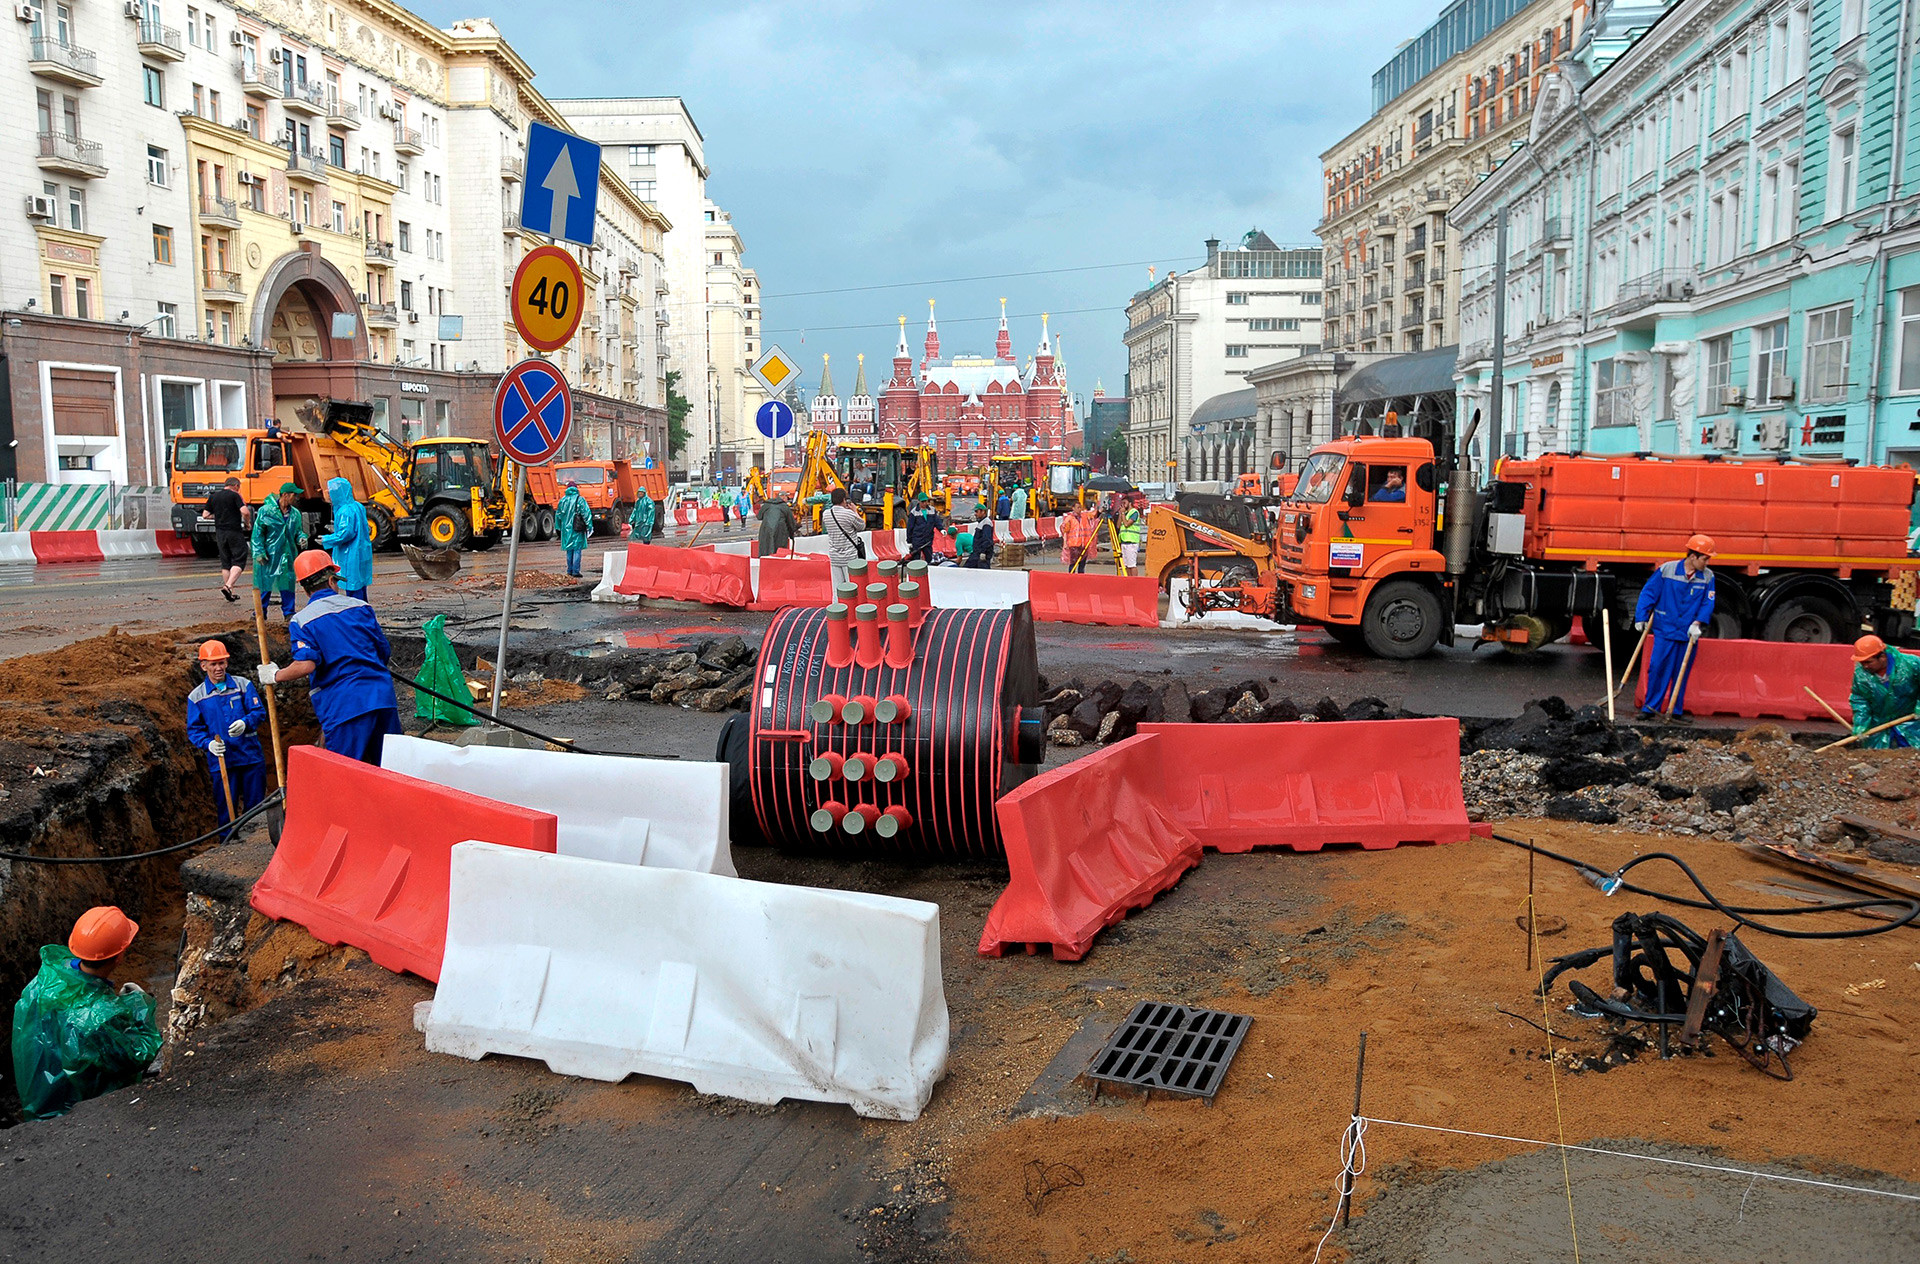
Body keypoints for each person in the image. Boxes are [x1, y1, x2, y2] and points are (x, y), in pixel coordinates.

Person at [11, 906, 163, 1121]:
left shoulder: (46, 978)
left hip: (41, 1098)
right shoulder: (100, 1017)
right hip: (78, 1114)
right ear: (119, 956)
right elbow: (137, 1055)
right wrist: (141, 1009)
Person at [258, 550, 402, 764]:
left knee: (345, 774)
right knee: (390, 769)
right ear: (332, 580)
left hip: (344, 706)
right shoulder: (361, 607)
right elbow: (383, 651)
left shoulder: (302, 621)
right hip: (381, 698)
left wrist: (275, 675)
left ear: (305, 590)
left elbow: (306, 664)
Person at [1635, 534, 1717, 721]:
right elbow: (1648, 593)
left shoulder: (1708, 577)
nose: (1707, 562)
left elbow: (1708, 602)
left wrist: (1698, 623)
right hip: (1666, 629)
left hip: (1688, 633)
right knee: (1658, 668)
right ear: (1693, 556)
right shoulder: (1667, 570)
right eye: (1705, 558)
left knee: (1681, 671)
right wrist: (1641, 616)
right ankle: (1650, 708)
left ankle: (1675, 710)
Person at [185, 639, 267, 827]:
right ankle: (229, 845)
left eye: (221, 663)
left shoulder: (243, 685)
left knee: (256, 810)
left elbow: (259, 712)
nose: (218, 668)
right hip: (223, 761)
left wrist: (245, 723)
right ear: (203, 665)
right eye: (213, 664)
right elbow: (195, 730)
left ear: (227, 663)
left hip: (250, 757)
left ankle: (254, 848)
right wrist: (209, 744)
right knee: (226, 810)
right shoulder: (197, 697)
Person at [1847, 635, 1920, 748]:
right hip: (1880, 726)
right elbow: (1859, 698)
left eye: (1868, 662)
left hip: (1911, 723)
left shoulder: (1910, 665)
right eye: (1862, 663)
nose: (1865, 666)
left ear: (1882, 657)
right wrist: (1861, 723)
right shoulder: (1861, 675)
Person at [250, 482, 305, 618]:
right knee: (265, 584)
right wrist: (259, 552)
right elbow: (258, 533)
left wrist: (302, 538)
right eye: (294, 495)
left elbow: (298, 531)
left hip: (287, 555)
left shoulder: (295, 514)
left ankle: (289, 612)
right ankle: (260, 613)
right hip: (269, 555)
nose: (296, 498)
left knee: (287, 584)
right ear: (285, 495)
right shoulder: (266, 511)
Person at [317, 477, 373, 602]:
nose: (329, 494)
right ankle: (364, 613)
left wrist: (327, 539)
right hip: (361, 551)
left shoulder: (345, 510)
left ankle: (357, 616)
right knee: (360, 586)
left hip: (350, 554)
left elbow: (345, 534)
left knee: (353, 586)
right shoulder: (357, 506)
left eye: (331, 491)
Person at [200, 476, 249, 603]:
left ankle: (230, 592)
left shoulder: (214, 496)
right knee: (239, 559)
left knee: (226, 562)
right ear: (236, 486)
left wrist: (218, 517)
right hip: (234, 531)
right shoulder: (235, 496)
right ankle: (228, 586)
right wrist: (247, 524)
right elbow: (245, 512)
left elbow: (205, 515)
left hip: (220, 533)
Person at [822, 487, 866, 588]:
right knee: (851, 587)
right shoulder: (849, 514)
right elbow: (862, 526)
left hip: (834, 557)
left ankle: (836, 603)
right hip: (849, 556)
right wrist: (855, 511)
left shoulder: (826, 514)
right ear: (844, 500)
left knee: (837, 588)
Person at [556, 481, 592, 578]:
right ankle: (576, 570)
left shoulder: (562, 500)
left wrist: (559, 527)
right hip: (577, 527)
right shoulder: (580, 500)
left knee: (569, 550)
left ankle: (569, 570)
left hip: (566, 530)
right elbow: (586, 513)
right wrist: (589, 525)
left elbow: (558, 515)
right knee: (577, 549)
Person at [906, 493, 941, 564]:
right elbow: (910, 527)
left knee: (929, 558)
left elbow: (937, 521)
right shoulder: (914, 512)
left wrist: (941, 529)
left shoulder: (932, 510)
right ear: (919, 501)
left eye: (926, 501)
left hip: (928, 539)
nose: (925, 503)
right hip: (917, 539)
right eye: (922, 502)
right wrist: (909, 540)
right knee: (916, 560)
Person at [1062, 505, 1097, 574]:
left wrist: (1099, 510)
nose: (1079, 509)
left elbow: (1093, 515)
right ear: (1073, 508)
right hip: (1074, 544)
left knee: (1082, 565)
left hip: (1084, 544)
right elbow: (1065, 531)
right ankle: (1072, 577)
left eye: (1080, 507)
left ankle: (1080, 578)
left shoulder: (1084, 516)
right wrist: (1065, 543)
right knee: (1073, 564)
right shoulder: (1069, 518)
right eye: (1078, 507)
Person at [1117, 498, 1144, 574]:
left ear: (1130, 503)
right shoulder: (1124, 513)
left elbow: (1126, 524)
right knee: (1126, 566)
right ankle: (1129, 580)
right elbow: (1118, 526)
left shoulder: (1134, 512)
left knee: (1132, 565)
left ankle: (1134, 581)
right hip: (1124, 541)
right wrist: (1120, 514)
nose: (1123, 505)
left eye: (1124, 503)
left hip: (1132, 542)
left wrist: (1122, 514)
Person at [965, 504, 996, 569]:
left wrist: (983, 552)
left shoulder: (986, 523)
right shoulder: (982, 522)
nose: (975, 514)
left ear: (983, 512)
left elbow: (987, 540)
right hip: (977, 553)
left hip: (981, 554)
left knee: (981, 573)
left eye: (977, 511)